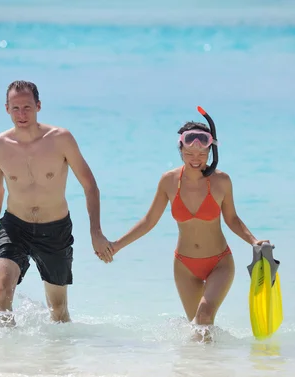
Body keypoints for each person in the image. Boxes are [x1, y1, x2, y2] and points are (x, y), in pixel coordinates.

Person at [106, 114, 269, 339]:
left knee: (203, 317)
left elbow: (232, 219)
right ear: (180, 149)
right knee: (199, 332)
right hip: (184, 266)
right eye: (190, 153)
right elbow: (149, 221)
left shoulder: (222, 182)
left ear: (210, 152)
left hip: (219, 262)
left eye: (202, 153)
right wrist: (116, 245)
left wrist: (253, 241)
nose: (196, 158)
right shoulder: (169, 181)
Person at [0, 80, 112, 326]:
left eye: (27, 107)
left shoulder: (61, 139)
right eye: (15, 108)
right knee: (1, 291)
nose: (21, 114)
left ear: (38, 106)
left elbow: (89, 185)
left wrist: (96, 231)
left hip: (55, 228)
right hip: (14, 226)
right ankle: (5, 356)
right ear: (6, 109)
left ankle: (57, 360)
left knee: (58, 311)